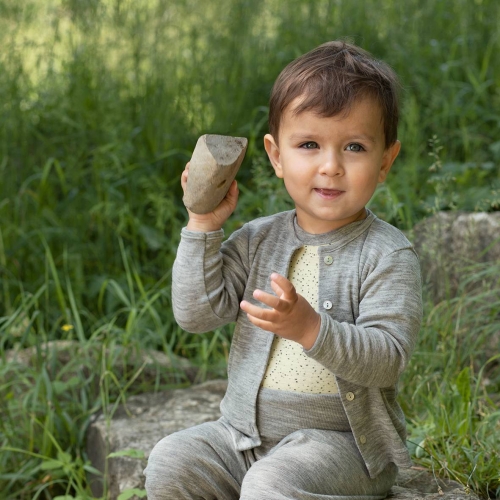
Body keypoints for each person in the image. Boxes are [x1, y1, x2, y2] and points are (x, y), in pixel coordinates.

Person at [144, 40, 423, 500]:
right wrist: (201, 227)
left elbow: (388, 359)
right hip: (243, 439)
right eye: (309, 144)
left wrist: (311, 328)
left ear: (385, 162)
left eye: (354, 147)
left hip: (344, 450)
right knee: (172, 460)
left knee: (271, 484)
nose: (330, 166)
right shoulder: (258, 240)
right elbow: (196, 315)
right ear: (276, 155)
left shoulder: (386, 254)